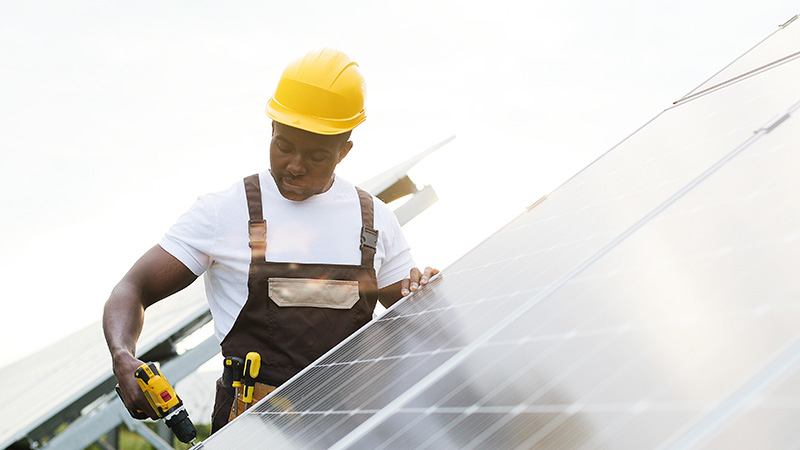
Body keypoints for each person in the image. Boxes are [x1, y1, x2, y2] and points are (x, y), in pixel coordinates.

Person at [103, 48, 438, 433]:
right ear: (272, 130)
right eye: (284, 147)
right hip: (250, 428)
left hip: (350, 430)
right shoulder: (224, 211)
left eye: (316, 156)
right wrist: (122, 354)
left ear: (344, 152)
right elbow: (132, 288)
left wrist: (423, 289)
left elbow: (409, 309)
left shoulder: (375, 217)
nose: (295, 166)